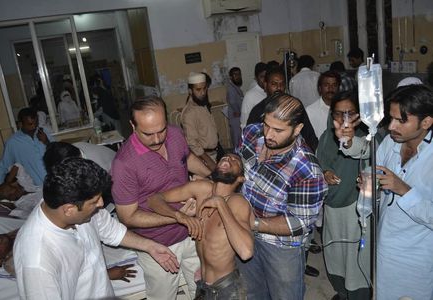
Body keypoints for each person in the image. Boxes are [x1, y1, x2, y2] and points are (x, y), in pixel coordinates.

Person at [14, 158, 179, 300]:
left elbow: (112, 231)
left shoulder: (71, 204)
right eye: (94, 202)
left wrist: (150, 246)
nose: (101, 204)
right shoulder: (37, 259)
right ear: (69, 210)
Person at [335, 85, 433, 299]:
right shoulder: (392, 141)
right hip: (385, 243)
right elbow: (374, 165)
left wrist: (404, 190)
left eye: (401, 120)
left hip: (418, 255)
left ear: (426, 122)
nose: (391, 127)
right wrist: (372, 187)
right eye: (390, 118)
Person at [111, 95, 211, 300]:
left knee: (204, 292)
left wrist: (212, 176)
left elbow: (186, 158)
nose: (157, 139)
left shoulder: (174, 134)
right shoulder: (124, 165)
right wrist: (178, 216)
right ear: (133, 125)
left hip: (193, 235)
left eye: (161, 130)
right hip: (159, 245)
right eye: (148, 134)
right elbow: (127, 217)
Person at [237, 93, 328, 299]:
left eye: (278, 130)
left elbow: (298, 223)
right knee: (253, 292)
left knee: (285, 295)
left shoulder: (307, 170)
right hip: (244, 233)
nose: (268, 134)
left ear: (297, 129)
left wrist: (252, 222)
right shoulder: (252, 133)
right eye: (266, 125)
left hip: (281, 247)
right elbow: (238, 164)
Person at [148, 153, 253, 299]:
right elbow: (154, 199)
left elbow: (246, 252)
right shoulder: (201, 189)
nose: (228, 159)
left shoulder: (237, 203)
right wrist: (180, 216)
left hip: (226, 289)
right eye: (224, 157)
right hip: (203, 286)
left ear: (240, 178)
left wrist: (221, 204)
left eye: (235, 161)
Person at [316, 91, 371, 300]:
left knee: (356, 256)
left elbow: (363, 150)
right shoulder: (326, 136)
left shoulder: (370, 135)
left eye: (349, 113)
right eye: (338, 114)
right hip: (331, 205)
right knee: (334, 251)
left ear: (359, 114)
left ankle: (357, 294)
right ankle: (341, 290)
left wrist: (348, 142)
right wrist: (325, 172)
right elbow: (319, 161)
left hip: (355, 207)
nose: (344, 120)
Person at [0, 229, 136, 282]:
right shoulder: (16, 263)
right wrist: (106, 274)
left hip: (89, 238)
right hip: (94, 256)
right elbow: (62, 275)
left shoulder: (13, 237)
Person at [247, 67, 319, 153]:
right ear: (265, 85)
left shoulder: (294, 106)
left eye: (282, 84)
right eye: (274, 84)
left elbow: (309, 135)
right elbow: (250, 141)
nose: (278, 87)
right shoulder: (258, 110)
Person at [0, 108, 54, 189]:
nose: (34, 127)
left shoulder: (44, 132)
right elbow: (3, 167)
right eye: (30, 124)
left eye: (36, 123)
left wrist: (46, 142)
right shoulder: (13, 142)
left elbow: (57, 153)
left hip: (55, 181)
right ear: (20, 124)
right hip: (38, 189)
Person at [181, 72, 219, 171]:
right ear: (190, 91)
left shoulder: (202, 104)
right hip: (203, 159)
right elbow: (192, 142)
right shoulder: (189, 112)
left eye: (204, 88)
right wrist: (209, 161)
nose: (202, 93)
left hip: (214, 154)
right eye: (198, 89)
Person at [306, 71, 341, 139]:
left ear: (338, 88)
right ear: (320, 88)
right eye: (326, 85)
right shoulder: (310, 111)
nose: (330, 88)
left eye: (334, 85)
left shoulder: (345, 109)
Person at [240, 62, 267, 129]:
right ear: (256, 78)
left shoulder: (271, 92)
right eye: (261, 77)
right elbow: (244, 123)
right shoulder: (250, 96)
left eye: (266, 76)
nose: (264, 80)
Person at [227, 67, 244, 149]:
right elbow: (232, 102)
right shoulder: (231, 89)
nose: (238, 76)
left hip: (237, 118)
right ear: (230, 77)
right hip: (236, 118)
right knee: (237, 142)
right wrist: (238, 111)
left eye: (239, 74)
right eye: (235, 75)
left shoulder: (236, 88)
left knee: (239, 140)